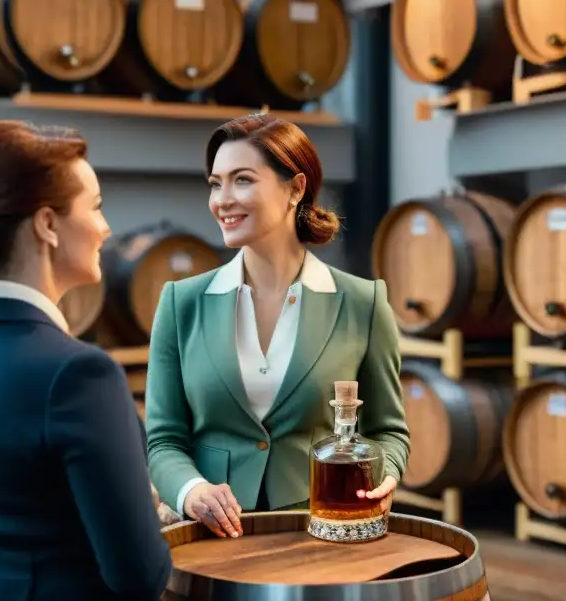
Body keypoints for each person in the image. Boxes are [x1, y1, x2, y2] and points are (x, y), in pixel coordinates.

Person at [0, 120, 172, 600]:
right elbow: (139, 575)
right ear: (48, 225)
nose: (105, 227)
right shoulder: (79, 375)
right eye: (94, 207)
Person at [144, 113, 410, 538]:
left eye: (242, 180)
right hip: (210, 536)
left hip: (323, 531)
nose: (222, 199)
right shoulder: (181, 304)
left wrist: (388, 474)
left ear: (295, 188)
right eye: (216, 184)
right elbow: (163, 441)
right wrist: (192, 490)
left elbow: (387, 430)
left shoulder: (364, 302)